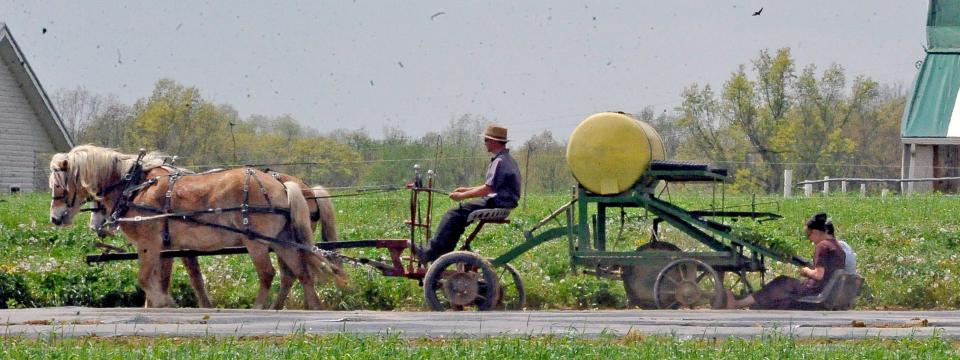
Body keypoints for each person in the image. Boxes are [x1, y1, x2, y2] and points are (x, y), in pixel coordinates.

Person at [417, 124, 521, 262]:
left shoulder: (500, 161)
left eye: (486, 140)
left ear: (494, 141)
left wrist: (462, 196)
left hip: (497, 201)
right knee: (458, 218)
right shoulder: (507, 159)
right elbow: (490, 186)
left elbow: (488, 189)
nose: (484, 143)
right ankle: (441, 254)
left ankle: (431, 254)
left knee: (453, 214)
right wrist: (466, 189)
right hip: (503, 201)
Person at [726, 213, 846, 310]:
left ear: (815, 232)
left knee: (780, 282)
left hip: (815, 289)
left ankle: (738, 304)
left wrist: (806, 271)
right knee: (782, 293)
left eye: (808, 235)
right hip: (826, 289)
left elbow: (819, 275)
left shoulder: (823, 246)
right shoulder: (838, 248)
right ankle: (752, 304)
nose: (810, 240)